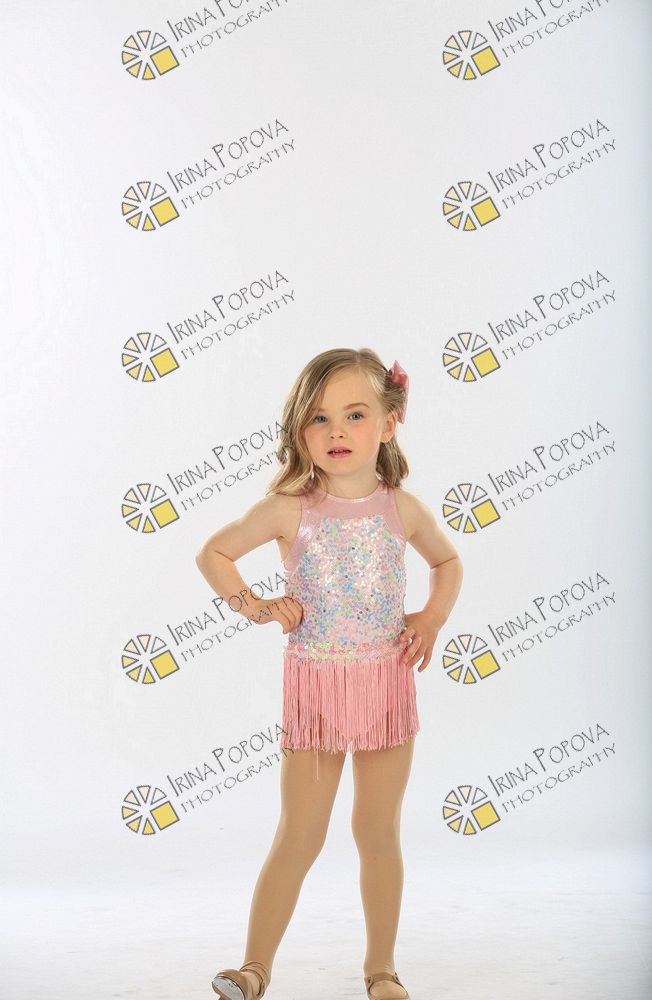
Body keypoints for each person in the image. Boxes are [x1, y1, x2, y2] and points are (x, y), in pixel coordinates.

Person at [195, 347, 464, 1000]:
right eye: (318, 418)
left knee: (377, 831)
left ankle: (381, 969)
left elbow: (447, 563)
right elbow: (215, 552)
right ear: (299, 430)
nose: (336, 430)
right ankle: (254, 967)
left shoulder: (401, 508)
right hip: (316, 691)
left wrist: (430, 618)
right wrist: (256, 605)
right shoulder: (289, 507)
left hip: (385, 686)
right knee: (300, 833)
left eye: (354, 414)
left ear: (390, 422)